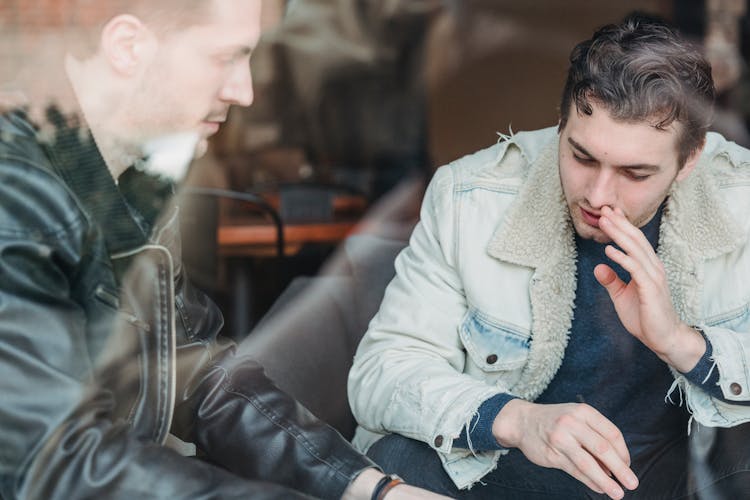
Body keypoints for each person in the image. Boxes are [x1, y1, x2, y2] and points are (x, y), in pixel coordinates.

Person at [0, 1, 447, 498]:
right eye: (224, 58)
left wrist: (369, 488)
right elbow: (56, 465)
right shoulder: (14, 202)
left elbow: (201, 378)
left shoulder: (131, 188)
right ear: (128, 47)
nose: (245, 91)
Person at [348, 14, 750, 499]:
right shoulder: (469, 197)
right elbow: (382, 370)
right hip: (515, 473)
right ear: (561, 125)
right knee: (395, 459)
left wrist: (682, 343)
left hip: (673, 481)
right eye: (582, 157)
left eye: (635, 173)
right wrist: (515, 420)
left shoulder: (740, 199)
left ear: (690, 161)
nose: (599, 194)